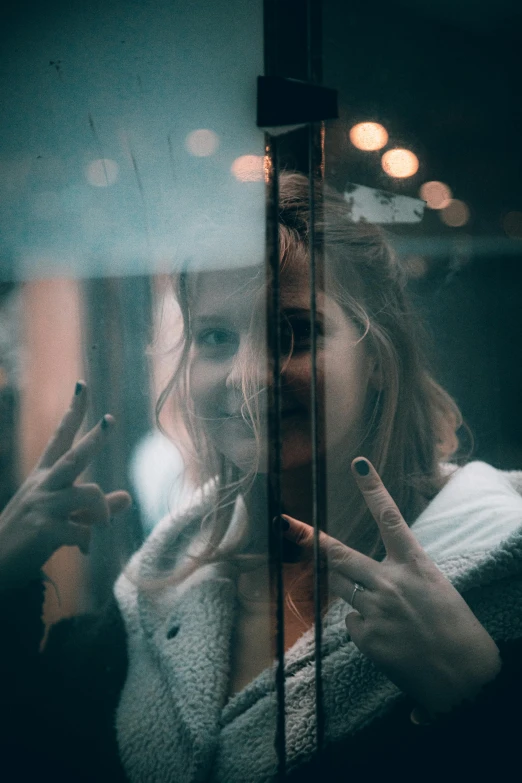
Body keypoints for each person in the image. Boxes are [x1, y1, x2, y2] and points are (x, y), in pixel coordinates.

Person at [1, 173, 522, 782]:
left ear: (378, 357)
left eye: (292, 333)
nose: (247, 379)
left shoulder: (496, 581)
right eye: (215, 337)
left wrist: (476, 695)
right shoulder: (164, 581)